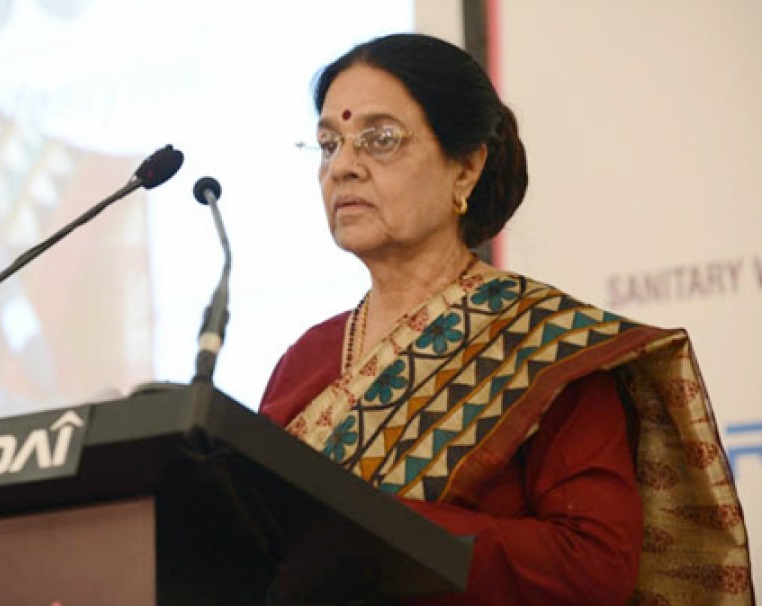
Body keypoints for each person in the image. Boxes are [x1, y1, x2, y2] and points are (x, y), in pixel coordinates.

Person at [259, 33, 753, 605]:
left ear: (465, 168)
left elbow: (592, 566)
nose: (343, 167)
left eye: (381, 139)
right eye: (329, 144)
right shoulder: (305, 361)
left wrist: (379, 532)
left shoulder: (544, 346)